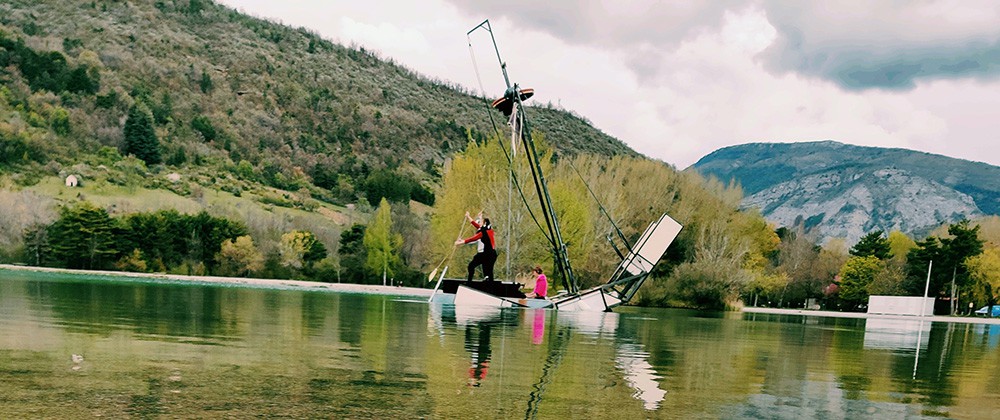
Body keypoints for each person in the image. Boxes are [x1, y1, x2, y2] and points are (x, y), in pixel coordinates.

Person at [454, 211, 497, 282]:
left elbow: (473, 238)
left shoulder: (484, 232)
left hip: (488, 254)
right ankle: (485, 281)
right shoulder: (487, 230)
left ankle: (471, 282)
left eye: (480, 222)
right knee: (486, 271)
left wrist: (460, 242)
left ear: (484, 224)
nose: (479, 224)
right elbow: (477, 225)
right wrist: (469, 217)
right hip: (489, 254)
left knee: (484, 270)